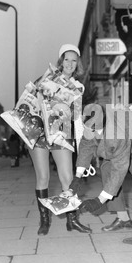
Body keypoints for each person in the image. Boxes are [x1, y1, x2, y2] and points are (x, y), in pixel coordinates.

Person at [28, 44, 91, 236]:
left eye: (74, 60)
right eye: (66, 59)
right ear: (60, 61)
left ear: (77, 63)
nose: (70, 63)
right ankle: (44, 220)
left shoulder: (78, 87)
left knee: (67, 178)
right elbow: (31, 99)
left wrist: (82, 145)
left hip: (61, 132)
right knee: (43, 177)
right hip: (39, 131)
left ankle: (72, 220)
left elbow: (77, 117)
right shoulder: (46, 77)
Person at [68, 103, 132, 238]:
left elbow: (119, 170)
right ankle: (123, 219)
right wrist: (77, 177)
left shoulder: (116, 135)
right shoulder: (91, 124)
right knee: (106, 168)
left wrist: (99, 201)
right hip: (127, 137)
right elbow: (86, 147)